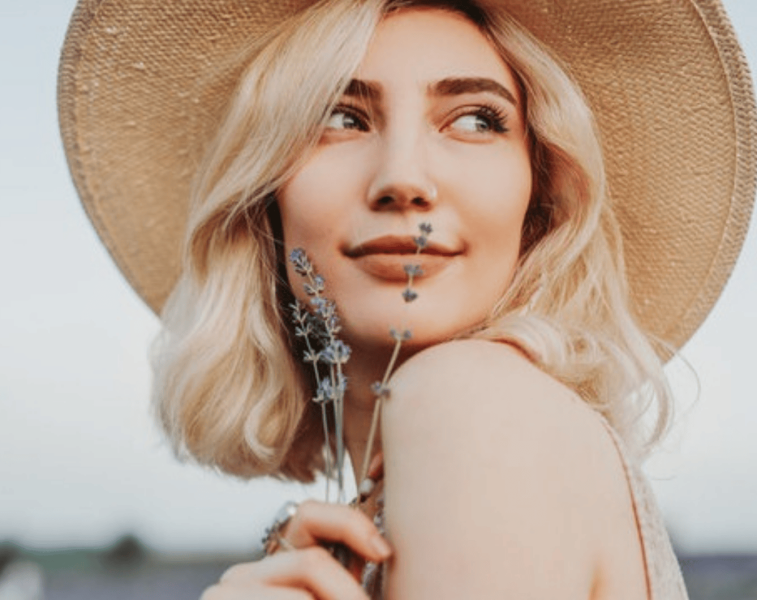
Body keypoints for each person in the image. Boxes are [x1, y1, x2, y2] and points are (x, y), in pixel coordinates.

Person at [58, 0, 756, 598]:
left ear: (540, 204)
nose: (402, 179)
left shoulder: (473, 400)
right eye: (340, 117)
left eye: (476, 119)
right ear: (264, 205)